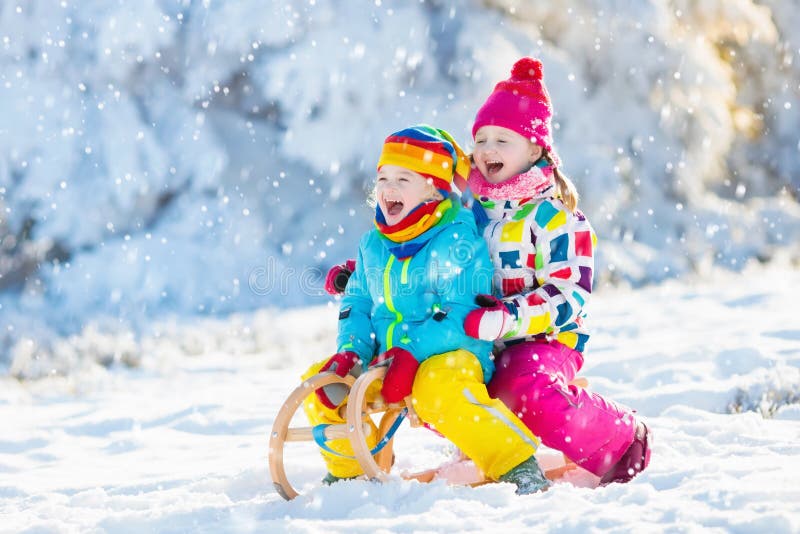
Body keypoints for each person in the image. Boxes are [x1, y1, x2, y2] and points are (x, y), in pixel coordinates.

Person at [303, 125, 551, 494]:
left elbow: (461, 309)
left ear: (433, 189)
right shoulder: (373, 244)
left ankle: (516, 462)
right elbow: (357, 302)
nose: (389, 187)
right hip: (384, 360)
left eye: (404, 178)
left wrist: (413, 351)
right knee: (320, 385)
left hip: (452, 354)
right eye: (384, 177)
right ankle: (350, 470)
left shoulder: (457, 240)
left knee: (436, 388)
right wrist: (352, 350)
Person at [462, 57, 651, 485]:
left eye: (502, 139)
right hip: (477, 335)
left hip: (548, 338)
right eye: (481, 138)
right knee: (442, 380)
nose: (487, 149)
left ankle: (620, 438)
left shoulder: (555, 217)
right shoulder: (469, 211)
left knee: (524, 388)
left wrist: (508, 318)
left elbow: (571, 293)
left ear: (534, 149)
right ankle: (491, 445)